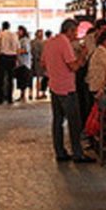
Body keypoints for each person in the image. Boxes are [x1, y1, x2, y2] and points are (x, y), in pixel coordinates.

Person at [42, 19, 94, 163]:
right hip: (67, 88)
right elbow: (74, 67)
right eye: (75, 31)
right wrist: (82, 55)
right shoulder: (65, 43)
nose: (76, 35)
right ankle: (78, 153)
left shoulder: (50, 42)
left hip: (54, 87)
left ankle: (60, 152)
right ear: (69, 30)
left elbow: (43, 63)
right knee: (74, 122)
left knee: (57, 121)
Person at [0, 21, 19, 104]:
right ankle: (10, 98)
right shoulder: (14, 35)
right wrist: (16, 59)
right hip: (12, 57)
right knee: (10, 78)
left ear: (2, 27)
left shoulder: (1, 34)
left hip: (3, 57)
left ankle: (0, 98)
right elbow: (17, 48)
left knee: (0, 78)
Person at [15, 25, 32, 102]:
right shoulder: (19, 40)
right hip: (20, 63)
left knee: (23, 80)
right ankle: (22, 95)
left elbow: (26, 50)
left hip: (24, 63)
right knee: (21, 80)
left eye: (20, 31)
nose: (18, 32)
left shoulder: (25, 40)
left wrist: (17, 51)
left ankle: (23, 95)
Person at [30, 29, 46, 99]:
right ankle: (38, 93)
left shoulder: (32, 42)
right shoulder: (41, 42)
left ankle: (32, 93)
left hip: (34, 61)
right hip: (38, 61)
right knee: (39, 77)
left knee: (37, 78)